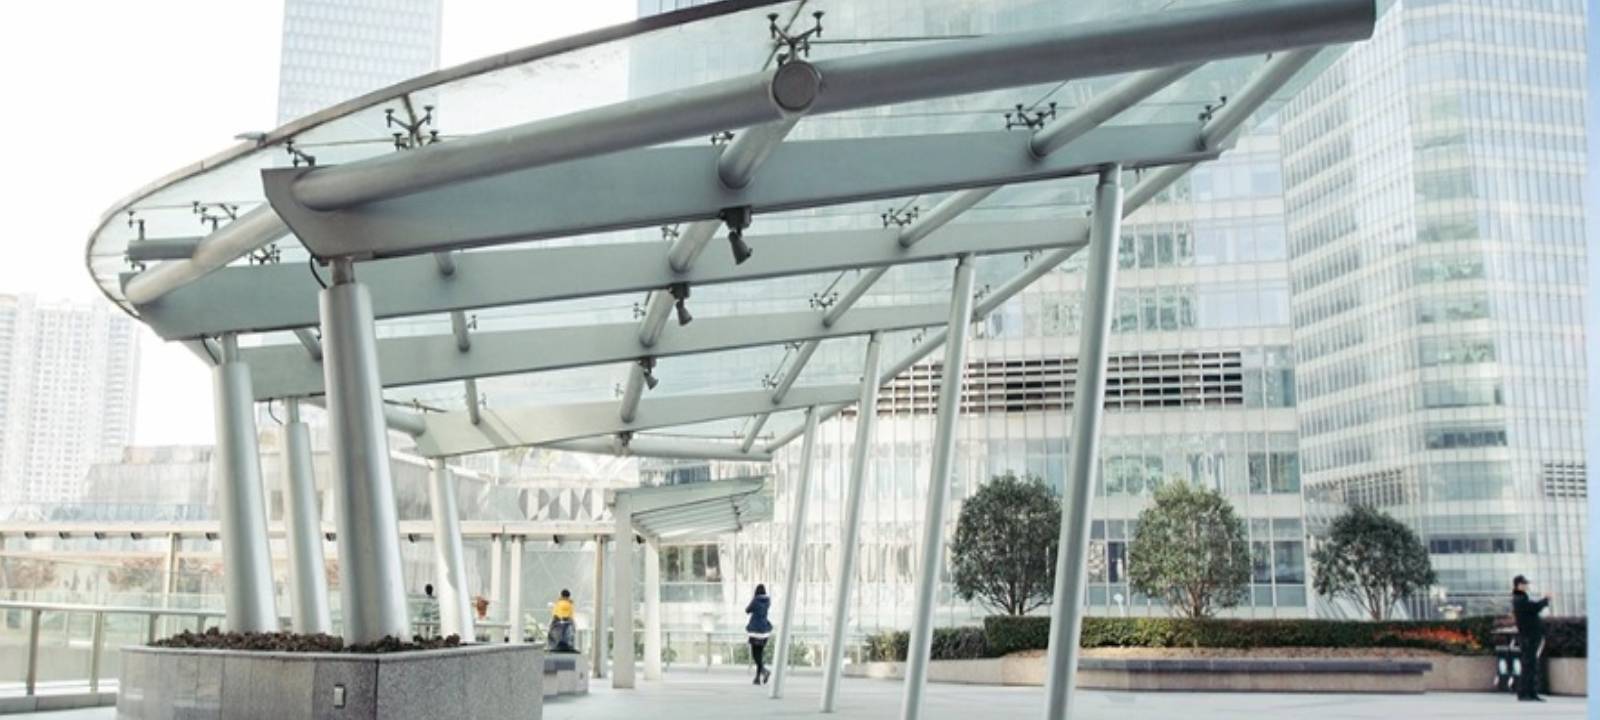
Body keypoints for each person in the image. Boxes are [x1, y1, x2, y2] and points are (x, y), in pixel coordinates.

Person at [1511, 575, 1553, 702]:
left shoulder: (1521, 597)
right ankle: (1526, 692)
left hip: (1529, 635)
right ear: (1518, 585)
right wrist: (1545, 600)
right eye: (1524, 584)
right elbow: (1534, 608)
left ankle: (1529, 692)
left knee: (1530, 664)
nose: (1526, 586)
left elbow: (1532, 608)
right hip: (1528, 636)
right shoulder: (1519, 598)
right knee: (1529, 665)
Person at [745, 584, 773, 685]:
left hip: (755, 631)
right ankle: (757, 678)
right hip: (764, 631)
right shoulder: (768, 601)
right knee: (760, 654)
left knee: (755, 654)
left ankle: (764, 671)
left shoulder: (755, 600)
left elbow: (747, 610)